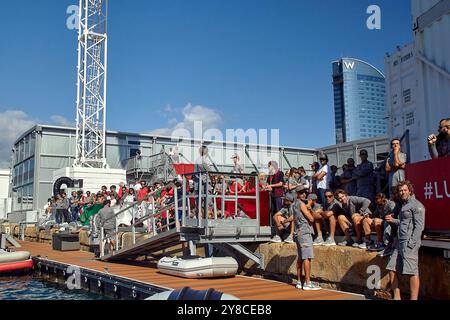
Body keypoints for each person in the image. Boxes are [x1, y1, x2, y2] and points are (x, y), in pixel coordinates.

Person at [386, 181, 425, 300]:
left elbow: (419, 226)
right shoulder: (402, 204)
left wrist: (411, 244)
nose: (402, 192)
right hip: (399, 242)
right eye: (400, 191)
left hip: (409, 243)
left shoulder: (416, 205)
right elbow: (403, 223)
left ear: (410, 190)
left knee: (412, 272)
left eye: (404, 190)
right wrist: (393, 221)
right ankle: (397, 297)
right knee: (391, 268)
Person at [284, 189, 321, 291]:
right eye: (301, 192)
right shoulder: (302, 204)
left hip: (298, 233)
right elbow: (312, 219)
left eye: (305, 192)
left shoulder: (294, 204)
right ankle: (308, 283)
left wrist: (284, 221)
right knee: (307, 258)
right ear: (297, 194)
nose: (304, 194)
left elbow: (293, 217)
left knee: (300, 258)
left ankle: (300, 282)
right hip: (304, 233)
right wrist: (309, 208)